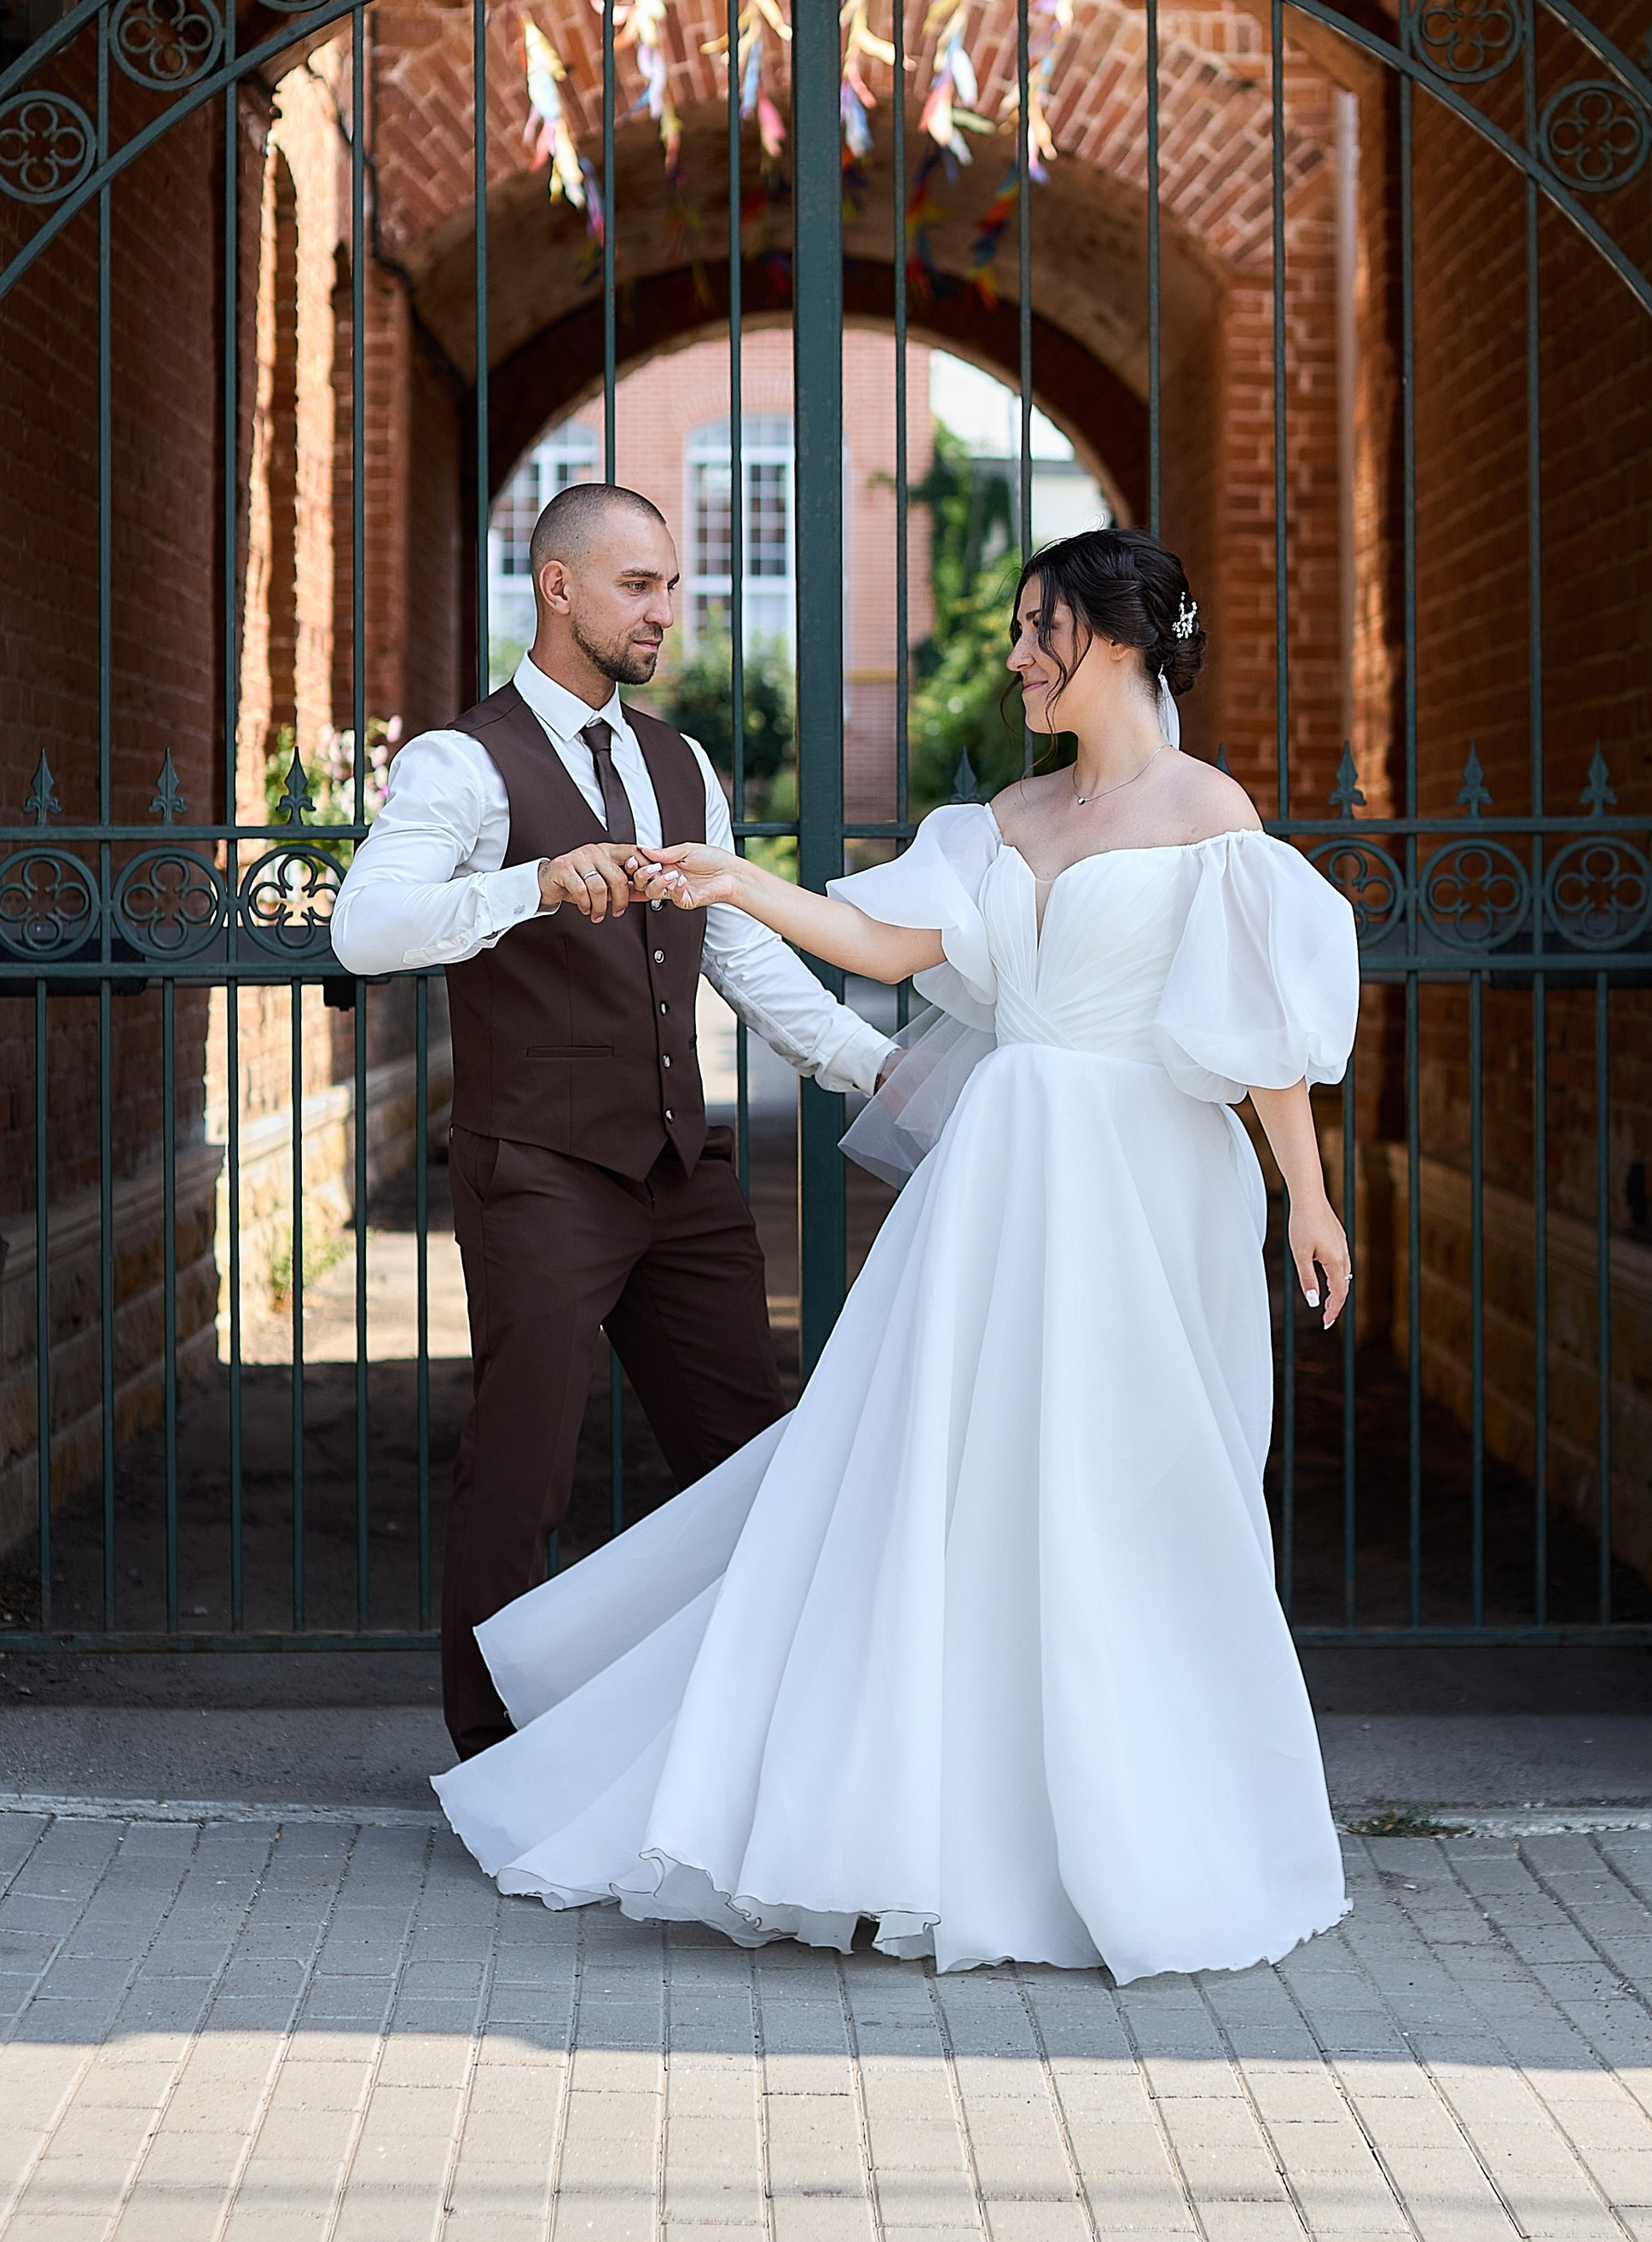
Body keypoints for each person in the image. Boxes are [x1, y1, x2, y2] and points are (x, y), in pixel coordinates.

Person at [430, 524, 1362, 1984]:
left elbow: (1262, 1040)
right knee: (965, 1488)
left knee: (1137, 1489)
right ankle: (942, 1819)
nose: (1014, 657)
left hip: (1146, 1189)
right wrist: (733, 885)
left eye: (1037, 628)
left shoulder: (1209, 812)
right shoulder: (1004, 816)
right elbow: (877, 939)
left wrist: (1306, 1196)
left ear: (1115, 639)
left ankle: (1151, 1822)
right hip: (999, 1190)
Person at [328, 482, 890, 1759]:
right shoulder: (460, 763)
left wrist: (882, 1073)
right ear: (559, 586)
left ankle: (761, 1737)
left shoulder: (682, 765)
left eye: (672, 588)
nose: (665, 613)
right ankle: (496, 1754)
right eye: (639, 586)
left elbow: (741, 953)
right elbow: (366, 929)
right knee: (522, 1468)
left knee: (754, 1456)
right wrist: (525, 884)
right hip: (539, 1170)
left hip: (681, 1175)